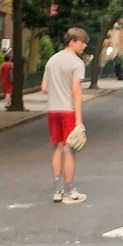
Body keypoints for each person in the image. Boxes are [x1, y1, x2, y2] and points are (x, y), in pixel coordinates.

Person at [41, 27, 89, 205]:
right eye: (82, 42)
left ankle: (57, 190)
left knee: (57, 148)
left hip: (53, 110)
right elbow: (76, 91)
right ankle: (70, 190)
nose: (84, 45)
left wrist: (57, 90)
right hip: (68, 111)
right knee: (70, 150)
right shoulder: (77, 64)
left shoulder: (51, 61)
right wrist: (78, 119)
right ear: (72, 42)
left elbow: (44, 87)